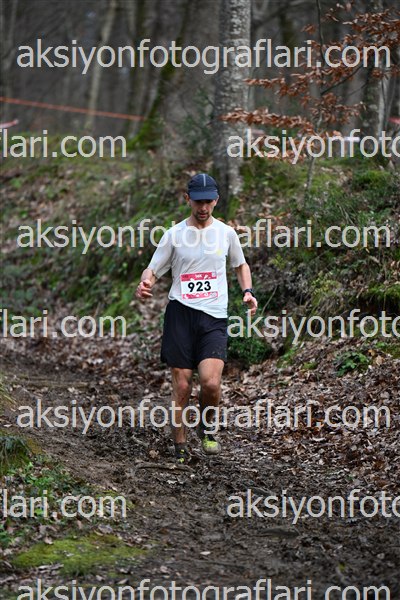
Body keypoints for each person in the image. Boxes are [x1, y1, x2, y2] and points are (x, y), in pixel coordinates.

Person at [136, 173, 257, 463]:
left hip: (214, 316)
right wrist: (145, 282)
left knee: (211, 384)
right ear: (187, 199)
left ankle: (207, 426)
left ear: (216, 201)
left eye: (208, 202)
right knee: (182, 387)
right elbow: (153, 268)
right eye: (198, 202)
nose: (203, 208)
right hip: (181, 314)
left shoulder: (226, 233)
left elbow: (240, 265)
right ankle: (180, 446)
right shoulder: (174, 234)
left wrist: (248, 291)